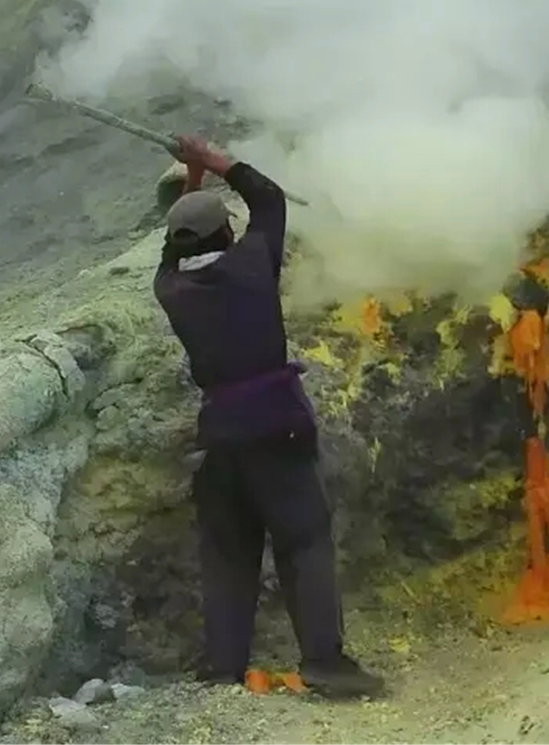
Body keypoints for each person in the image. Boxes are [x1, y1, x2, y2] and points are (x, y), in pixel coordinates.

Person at [153, 135, 384, 699]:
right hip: (275, 428)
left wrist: (193, 178)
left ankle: (223, 665)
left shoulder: (171, 287)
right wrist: (212, 160)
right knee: (303, 541)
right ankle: (325, 662)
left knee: (229, 554)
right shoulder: (251, 267)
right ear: (226, 235)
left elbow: (176, 246)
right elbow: (269, 198)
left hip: (221, 441)